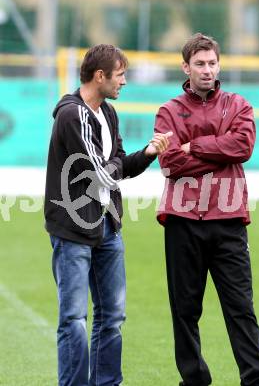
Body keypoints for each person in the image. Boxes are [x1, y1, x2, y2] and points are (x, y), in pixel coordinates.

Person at [44, 44, 171, 386]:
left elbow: (119, 166)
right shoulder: (72, 114)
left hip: (107, 226)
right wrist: (115, 163)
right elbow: (99, 173)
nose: (125, 82)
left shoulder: (108, 113)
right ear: (99, 76)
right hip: (73, 229)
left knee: (112, 317)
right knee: (74, 319)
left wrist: (147, 153)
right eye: (121, 75)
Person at [154, 33, 259, 386]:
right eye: (200, 64)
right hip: (182, 220)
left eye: (212, 63)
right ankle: (194, 379)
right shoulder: (169, 111)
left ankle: (256, 379)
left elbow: (242, 146)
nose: (207, 70)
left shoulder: (238, 105)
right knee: (185, 310)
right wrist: (213, 151)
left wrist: (193, 146)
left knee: (240, 308)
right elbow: (170, 162)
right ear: (185, 67)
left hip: (229, 219)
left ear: (219, 65)